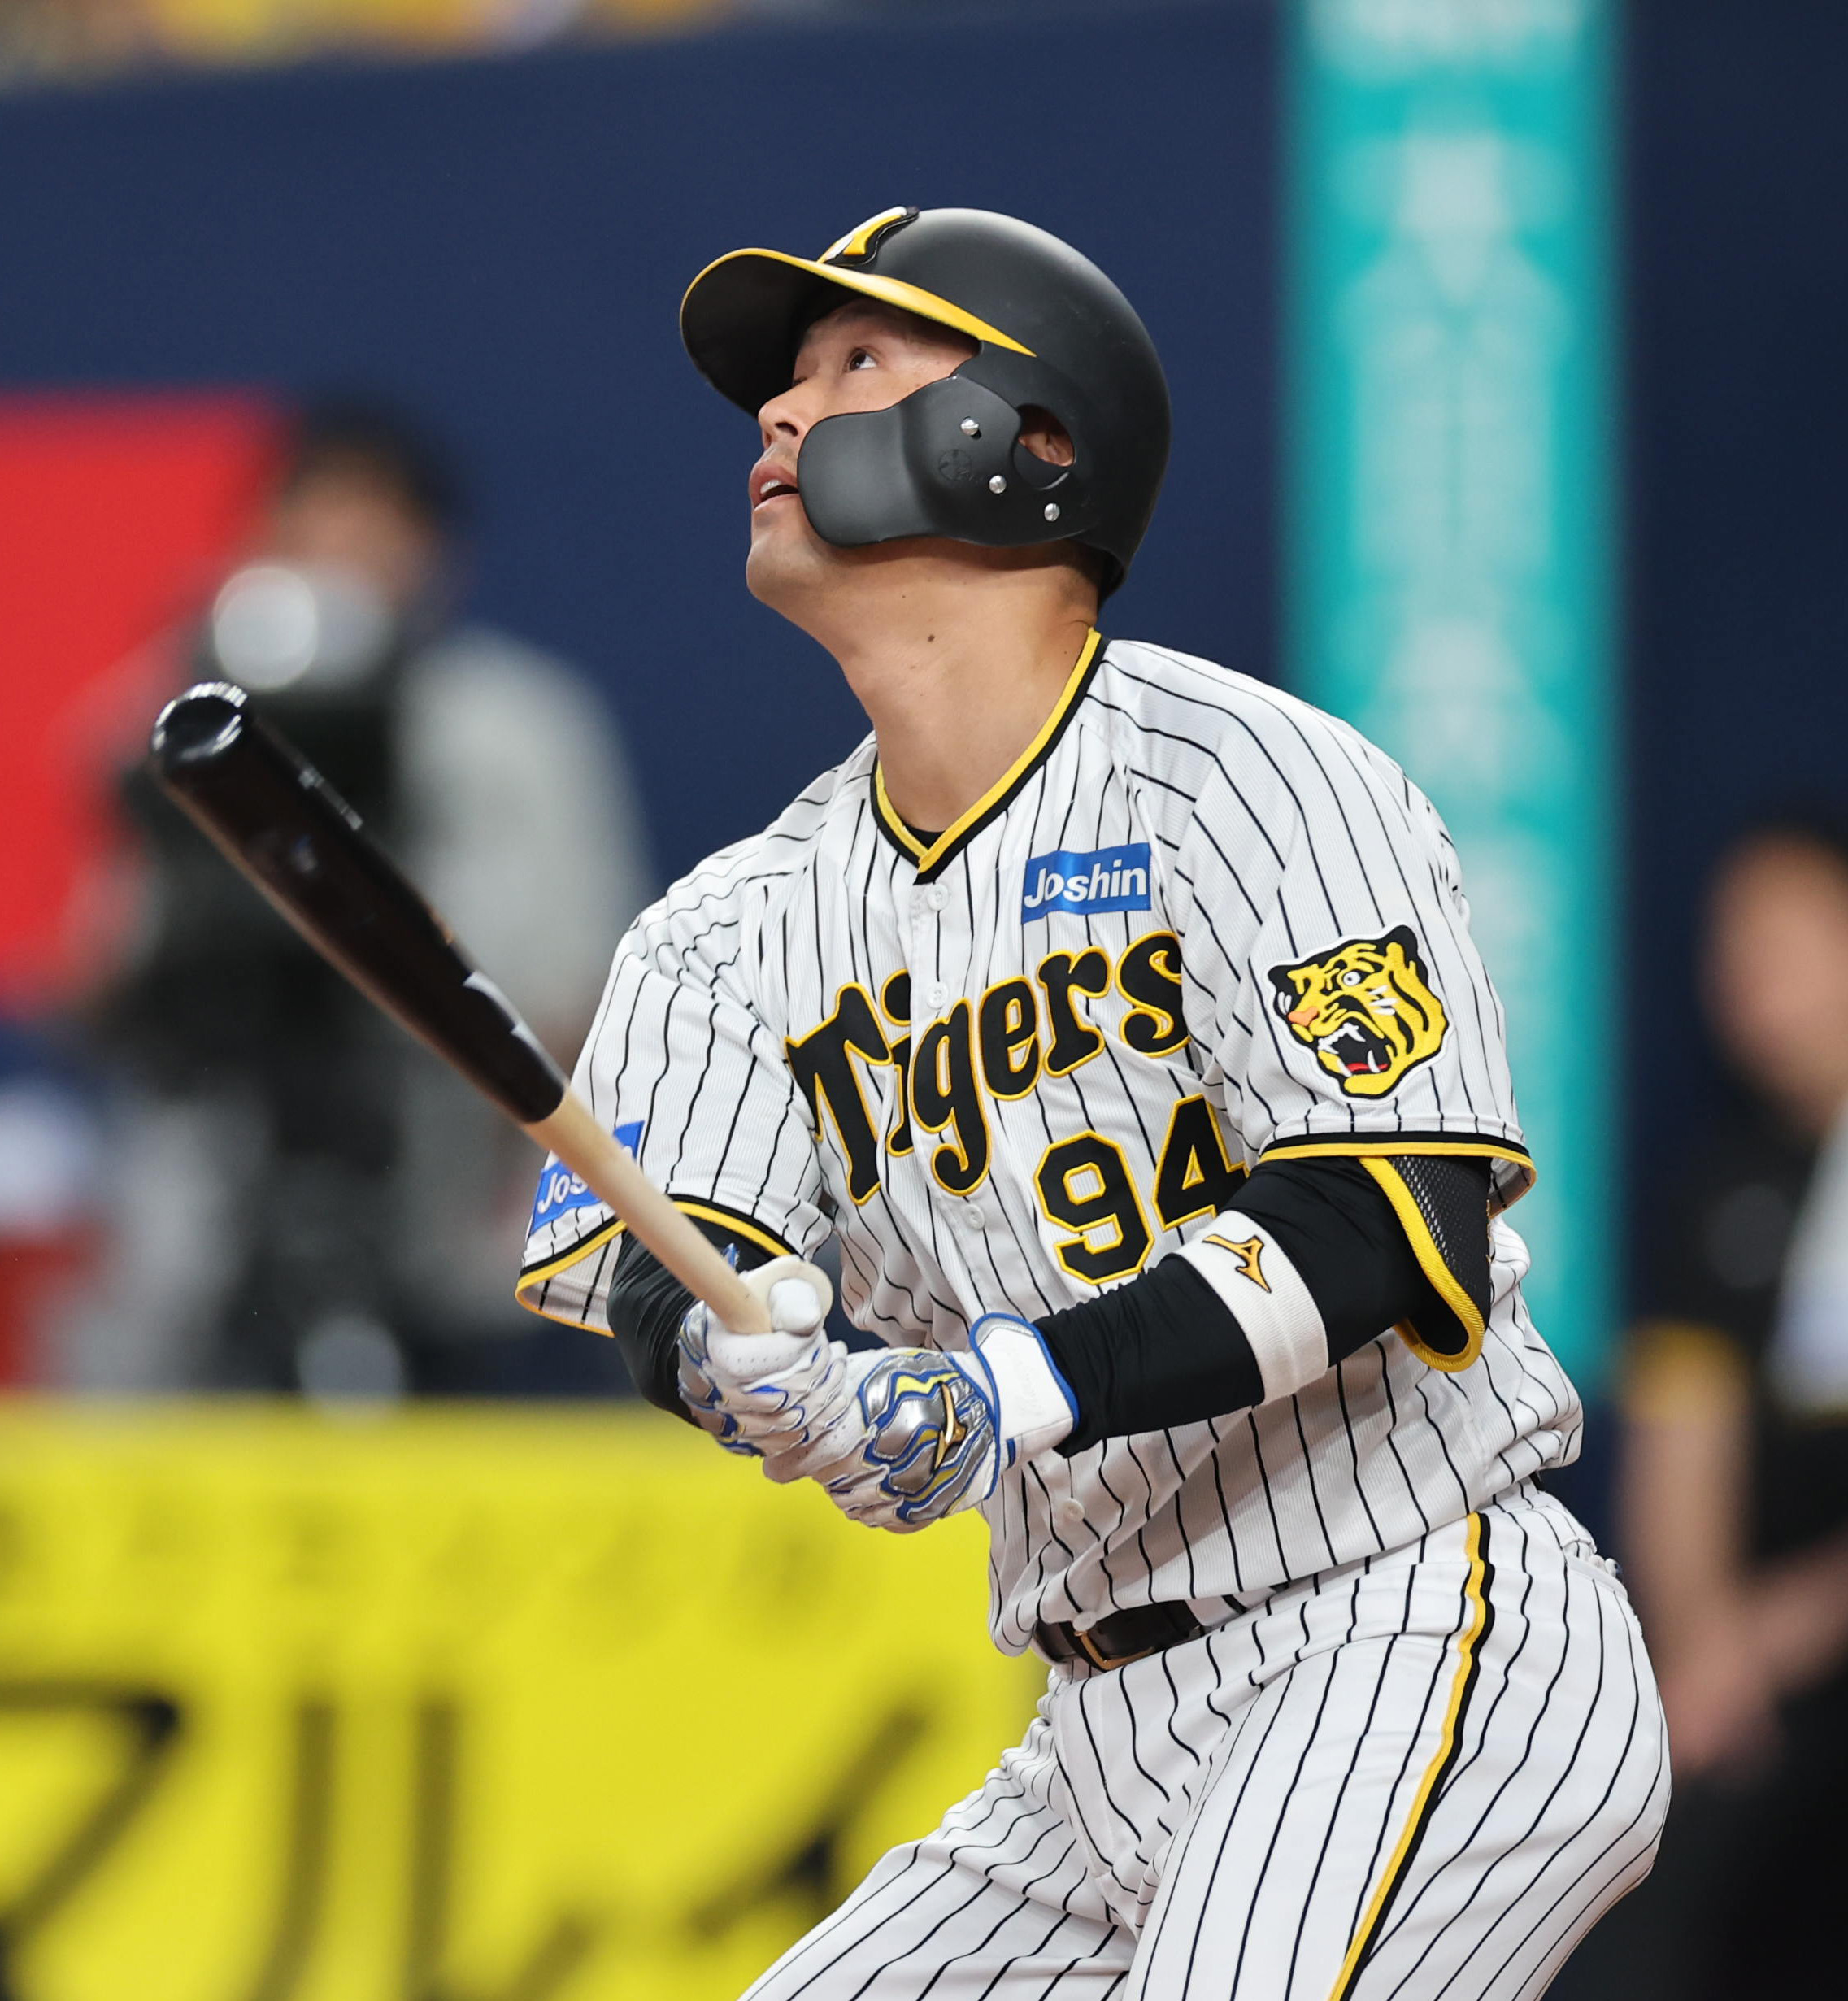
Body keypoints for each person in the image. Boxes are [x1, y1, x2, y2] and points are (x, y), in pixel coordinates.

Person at [517, 207, 1666, 1997]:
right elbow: (673, 1262)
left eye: (851, 368)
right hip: (1091, 1740)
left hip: (1400, 1624)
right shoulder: (731, 926)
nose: (775, 417)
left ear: (1028, 444)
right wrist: (746, 1369)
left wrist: (993, 1389)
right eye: (782, 383)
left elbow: (1383, 1211)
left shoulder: (1245, 776)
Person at [76, 399, 650, 1394]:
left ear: (435, 555)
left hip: (456, 1221)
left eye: (376, 525)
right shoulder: (178, 726)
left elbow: (584, 988)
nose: (342, 555)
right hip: (215, 1225)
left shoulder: (517, 727)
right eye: (314, 521)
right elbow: (107, 970)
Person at [1554, 823, 1848, 1999]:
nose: (1746, 977)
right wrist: (1705, 1643)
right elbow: (1682, 1448)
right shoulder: (1725, 1194)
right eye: (1728, 949)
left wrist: (1783, 1630)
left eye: (1783, 935)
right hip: (1764, 1691)